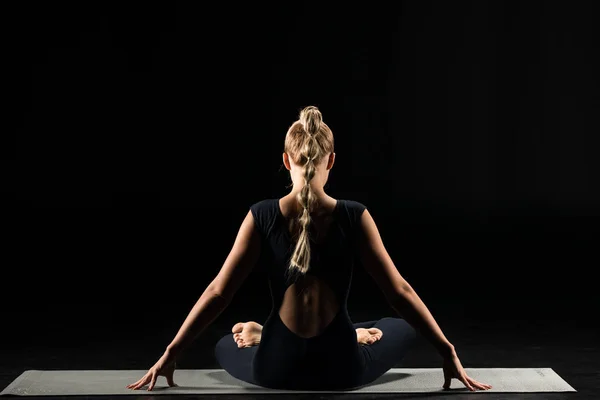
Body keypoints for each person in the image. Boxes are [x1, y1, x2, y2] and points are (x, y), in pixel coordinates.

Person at [127, 106, 492, 392]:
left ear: (286, 161)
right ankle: (349, 333)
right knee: (398, 326)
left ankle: (270, 334)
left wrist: (170, 354)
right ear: (330, 161)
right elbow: (400, 293)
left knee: (225, 343)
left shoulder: (261, 215)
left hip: (275, 367)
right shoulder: (354, 216)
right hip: (340, 369)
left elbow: (218, 293)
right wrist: (448, 351)